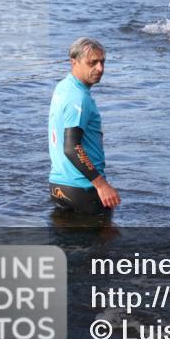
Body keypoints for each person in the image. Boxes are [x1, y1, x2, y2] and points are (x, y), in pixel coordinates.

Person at [48, 38, 120, 215]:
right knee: (105, 240)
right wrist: (101, 185)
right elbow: (72, 147)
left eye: (102, 62)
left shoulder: (63, 87)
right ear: (74, 62)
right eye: (92, 63)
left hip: (58, 186)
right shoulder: (78, 98)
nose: (100, 68)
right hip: (83, 189)